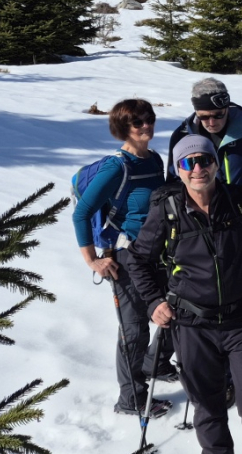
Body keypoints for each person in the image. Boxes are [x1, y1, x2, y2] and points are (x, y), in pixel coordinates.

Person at [127, 135, 242, 454]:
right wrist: (155, 301)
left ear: (215, 163)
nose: (198, 168)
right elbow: (138, 259)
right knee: (208, 410)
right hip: (192, 324)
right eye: (188, 162)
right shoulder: (168, 208)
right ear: (178, 170)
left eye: (205, 160)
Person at [70, 98, 175, 417]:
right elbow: (82, 212)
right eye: (137, 122)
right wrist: (92, 260)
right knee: (134, 329)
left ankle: (154, 364)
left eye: (149, 119)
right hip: (126, 257)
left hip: (160, 252)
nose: (146, 126)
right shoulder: (118, 166)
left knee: (175, 311)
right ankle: (131, 398)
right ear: (122, 128)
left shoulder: (154, 159)